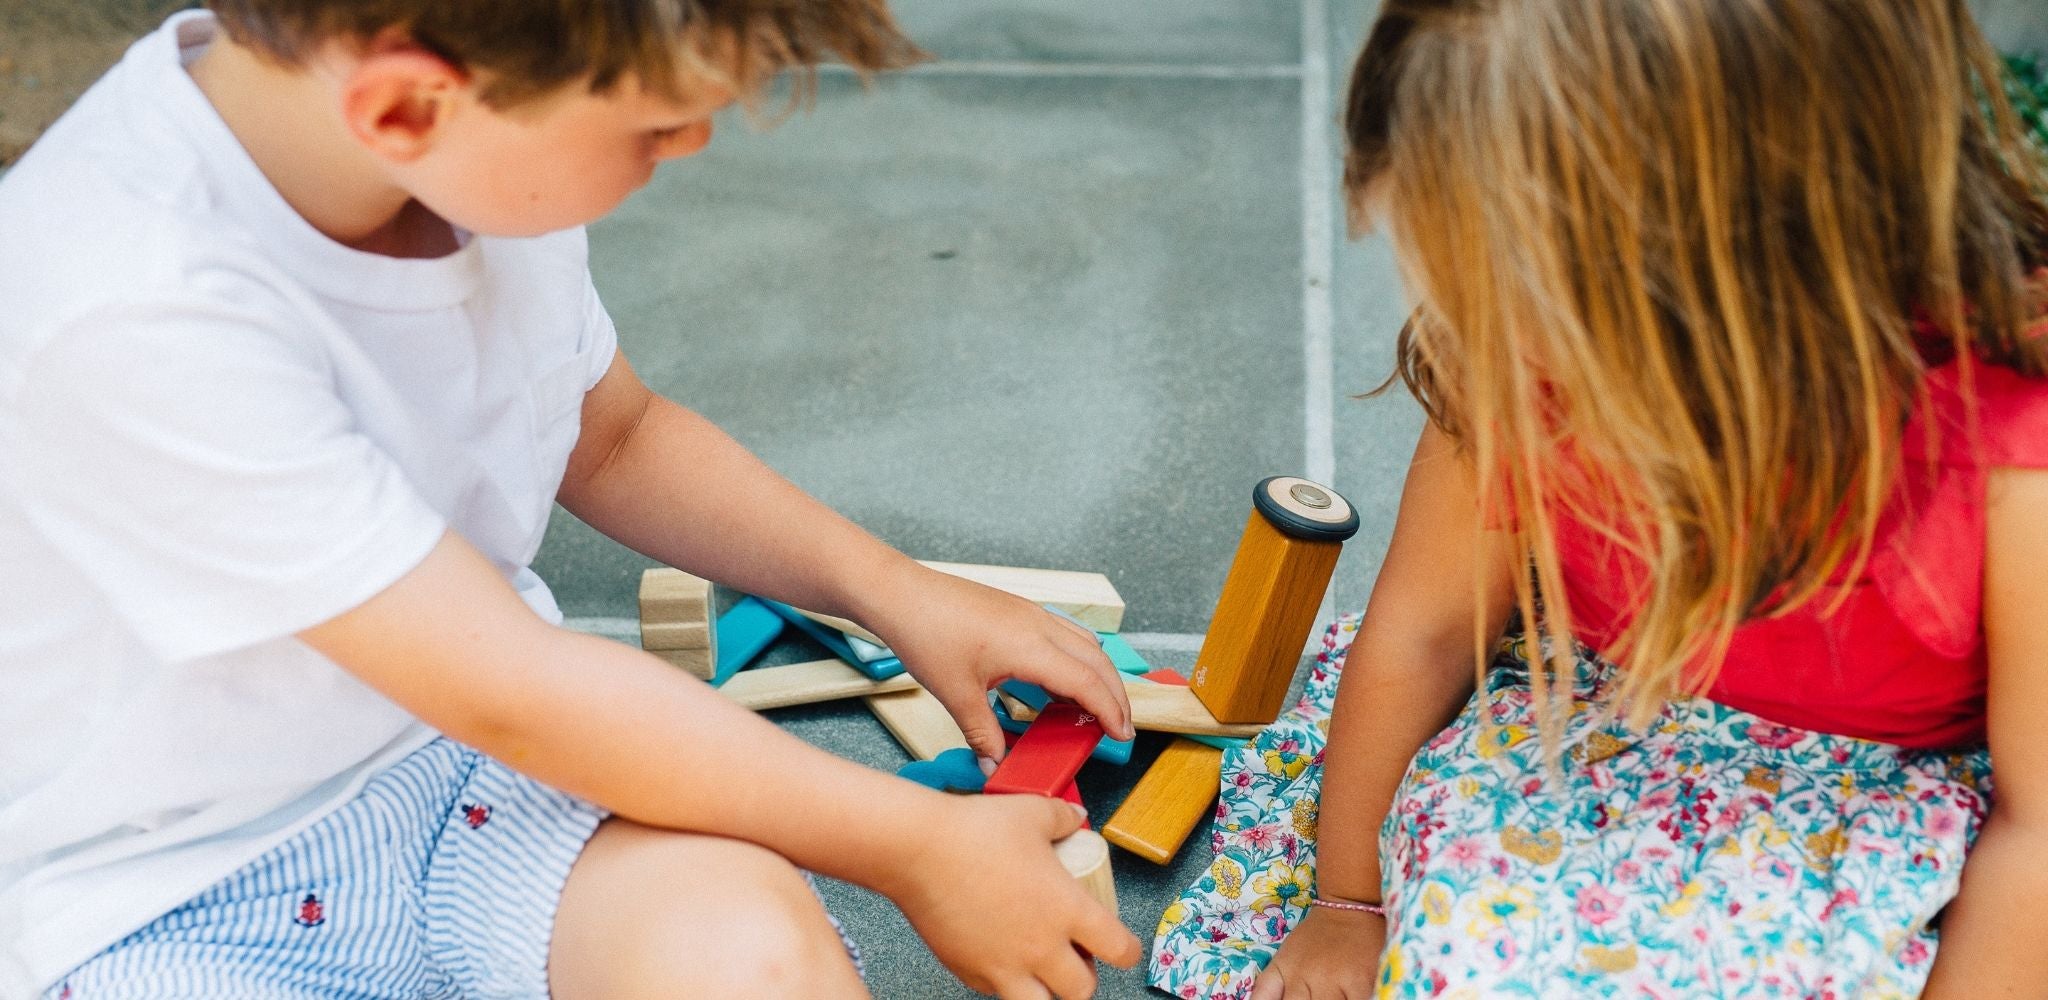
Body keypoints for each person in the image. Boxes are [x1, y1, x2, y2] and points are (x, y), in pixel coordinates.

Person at [0, 2, 1143, 997]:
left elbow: (616, 437)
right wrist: (914, 845)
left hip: (469, 779)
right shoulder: (131, 303)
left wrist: (892, 592)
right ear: (404, 107)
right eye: (652, 127)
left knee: (749, 955)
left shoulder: (472, 160)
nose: (689, 144)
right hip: (171, 890)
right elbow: (520, 690)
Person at [1151, 0, 2048, 996]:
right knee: (1460, 961)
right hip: (1589, 734)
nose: (1486, 342)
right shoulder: (1515, 358)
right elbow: (1423, 633)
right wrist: (1345, 904)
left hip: (1872, 818)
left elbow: (2038, 826)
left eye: (1523, 300)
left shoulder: (2007, 454)